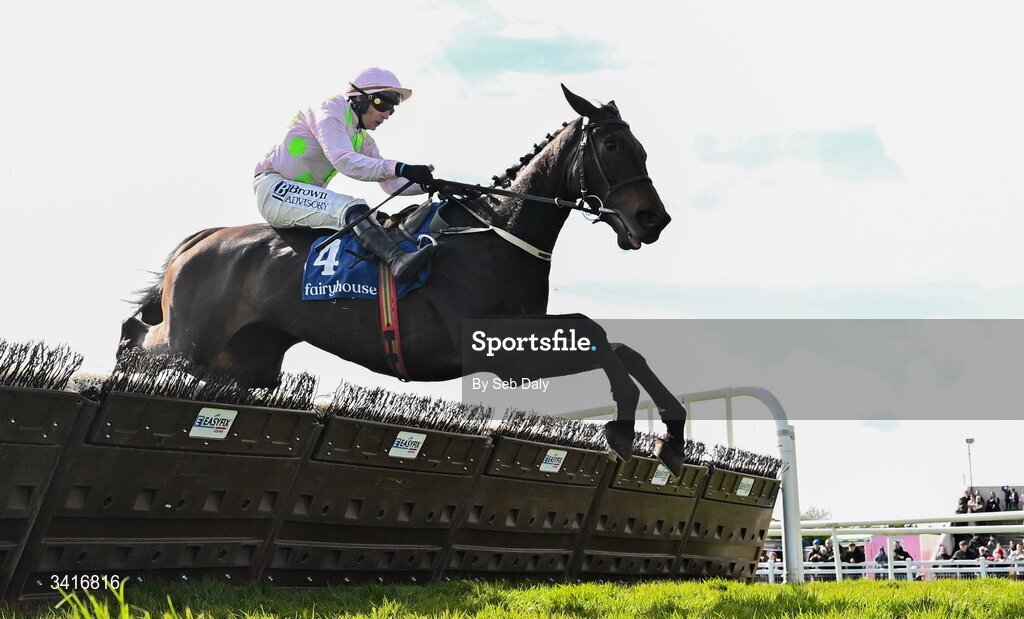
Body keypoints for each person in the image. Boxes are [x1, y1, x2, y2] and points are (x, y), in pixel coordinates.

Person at [254, 67, 437, 282]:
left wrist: (428, 185)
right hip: (275, 189)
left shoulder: (363, 139)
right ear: (358, 97)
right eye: (383, 103)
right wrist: (401, 167)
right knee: (354, 208)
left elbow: (390, 183)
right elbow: (343, 160)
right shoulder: (329, 110)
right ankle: (397, 260)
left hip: (299, 195)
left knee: (379, 218)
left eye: (392, 109)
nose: (386, 114)